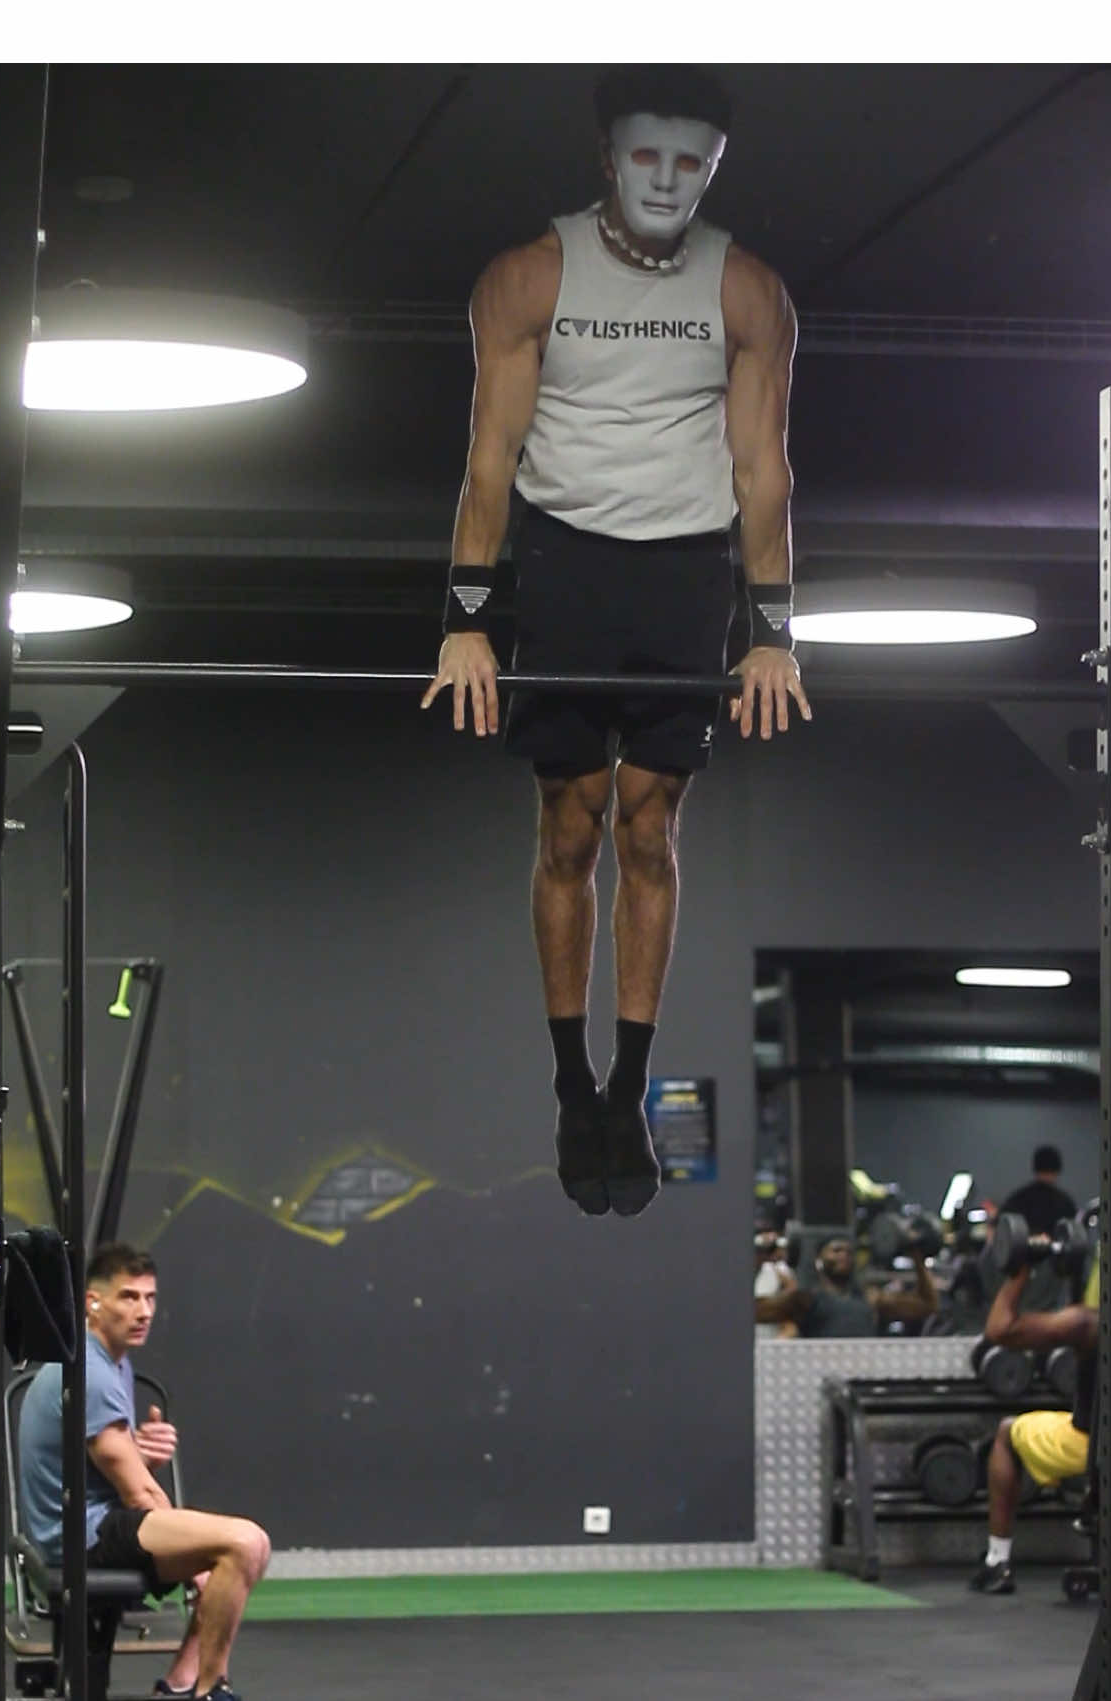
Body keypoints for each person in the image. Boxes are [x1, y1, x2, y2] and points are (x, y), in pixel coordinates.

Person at [421, 64, 811, 1220]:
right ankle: (566, 1084)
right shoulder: (528, 277)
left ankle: (627, 1088)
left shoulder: (748, 293)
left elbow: (762, 470)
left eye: (691, 161)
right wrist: (467, 622)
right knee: (571, 820)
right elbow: (488, 459)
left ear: (713, 169)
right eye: (647, 155)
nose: (667, 179)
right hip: (562, 558)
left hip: (684, 571)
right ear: (607, 157)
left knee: (650, 823)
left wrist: (771, 633)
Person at [17, 1243, 270, 1700]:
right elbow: (138, 1496)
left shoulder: (106, 1360)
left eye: (150, 1298)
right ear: (93, 1302)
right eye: (129, 1297)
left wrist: (137, 1452)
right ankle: (210, 1690)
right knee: (245, 1544)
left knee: (231, 1557)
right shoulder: (89, 1373)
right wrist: (192, 1562)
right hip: (80, 1540)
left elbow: (100, 1462)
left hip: (89, 1526)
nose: (144, 1311)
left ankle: (178, 1687)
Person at [968, 1248, 1099, 1595]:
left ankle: (997, 1562)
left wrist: (1020, 1268)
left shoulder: (1088, 1323)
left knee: (1008, 1432)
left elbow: (1000, 1329)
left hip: (1095, 1446)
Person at [752, 1236, 939, 1337]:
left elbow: (926, 1305)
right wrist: (760, 1259)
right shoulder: (804, 1299)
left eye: (849, 1252)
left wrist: (917, 1256)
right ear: (819, 1260)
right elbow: (753, 1311)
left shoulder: (871, 1298)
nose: (844, 1255)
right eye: (836, 1250)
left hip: (862, 1380)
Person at [998, 1145, 1077, 1235]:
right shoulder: (1065, 1203)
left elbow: (1003, 1226)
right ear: (1057, 1170)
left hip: (1022, 1248)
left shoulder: (1019, 1199)